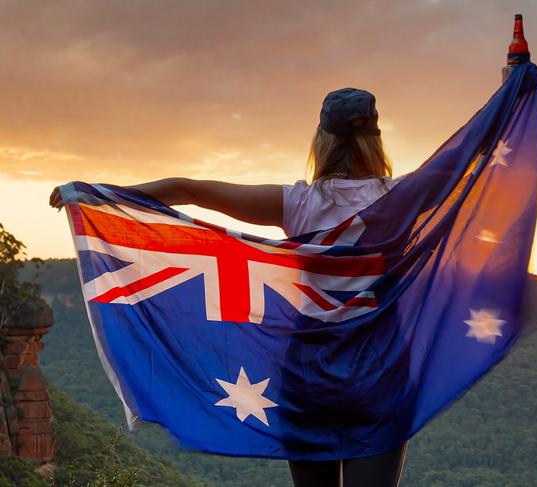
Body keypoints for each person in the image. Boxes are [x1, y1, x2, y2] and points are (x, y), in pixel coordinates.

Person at [49, 87, 408, 487]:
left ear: (322, 140)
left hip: (309, 373)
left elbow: (190, 190)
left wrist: (95, 196)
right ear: (375, 138)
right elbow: (474, 165)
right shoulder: (402, 197)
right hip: (377, 371)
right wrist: (496, 106)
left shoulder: (297, 203)